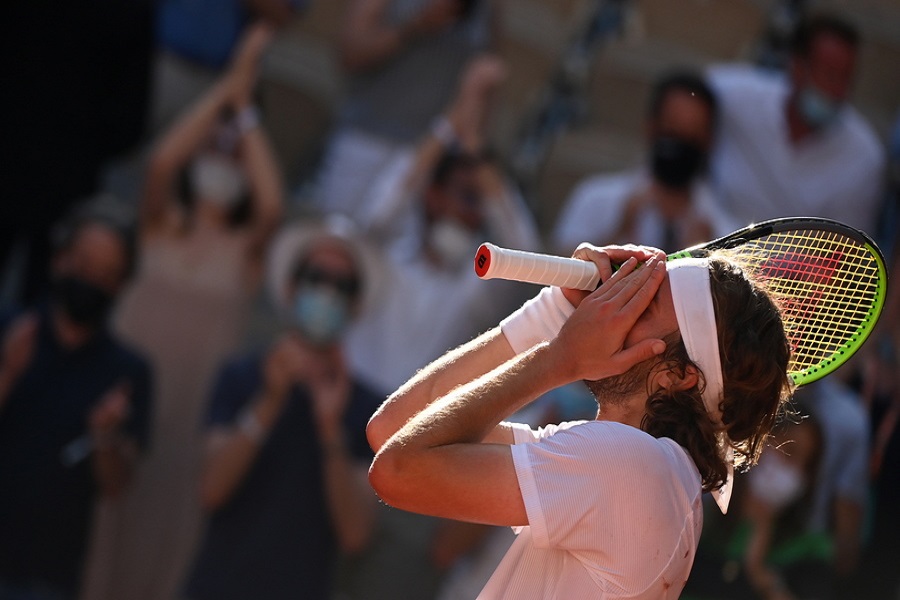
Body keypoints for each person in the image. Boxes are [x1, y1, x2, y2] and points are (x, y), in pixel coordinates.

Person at [367, 243, 794, 598]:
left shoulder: (630, 465)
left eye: (641, 304)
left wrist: (558, 358)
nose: (608, 307)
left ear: (679, 376)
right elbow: (395, 430)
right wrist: (550, 315)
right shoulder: (643, 466)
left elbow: (397, 470)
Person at [80, 24, 283, 600]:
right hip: (123, 400)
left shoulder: (247, 251)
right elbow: (164, 160)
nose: (223, 146)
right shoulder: (159, 226)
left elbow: (272, 202)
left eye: (235, 142)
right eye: (214, 136)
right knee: (102, 517)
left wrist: (245, 116)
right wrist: (228, 90)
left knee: (163, 532)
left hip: (190, 417)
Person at [181, 219, 381, 600]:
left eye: (343, 286)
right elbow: (211, 490)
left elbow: (356, 536)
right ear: (290, 288)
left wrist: (330, 432)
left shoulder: (370, 411)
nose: (327, 293)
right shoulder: (241, 376)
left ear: (356, 305)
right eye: (316, 277)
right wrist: (268, 404)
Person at [0, 210, 152, 600]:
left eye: (105, 274)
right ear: (60, 260)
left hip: (47, 576)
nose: (90, 282)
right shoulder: (10, 329)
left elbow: (117, 485)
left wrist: (106, 436)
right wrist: (8, 373)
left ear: (120, 285)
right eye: (84, 266)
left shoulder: (128, 372)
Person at [314, 0, 498, 219]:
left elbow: (489, 74)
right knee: (335, 235)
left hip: (431, 152)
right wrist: (416, 25)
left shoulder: (490, 7)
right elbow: (350, 54)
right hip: (366, 136)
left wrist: (468, 151)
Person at [706, 13, 885, 232]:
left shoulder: (864, 157)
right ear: (797, 67)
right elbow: (685, 98)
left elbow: (845, 249)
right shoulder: (735, 96)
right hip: (704, 242)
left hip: (791, 264)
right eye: (829, 75)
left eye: (845, 78)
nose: (838, 90)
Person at [552, 71, 738, 256]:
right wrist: (617, 237)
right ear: (651, 126)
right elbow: (560, 271)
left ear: (708, 141)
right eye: (672, 127)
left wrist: (707, 261)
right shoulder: (595, 199)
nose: (681, 141)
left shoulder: (724, 231)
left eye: (693, 133)